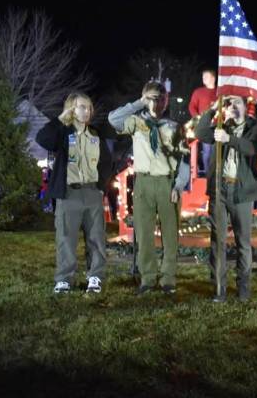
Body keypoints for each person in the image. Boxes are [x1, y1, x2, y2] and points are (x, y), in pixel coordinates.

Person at [108, 81, 190, 295]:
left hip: (166, 183)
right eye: (152, 98)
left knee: (170, 235)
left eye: (160, 99)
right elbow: (113, 119)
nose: (157, 103)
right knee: (144, 233)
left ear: (166, 101)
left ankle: (168, 279)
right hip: (143, 182)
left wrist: (179, 185)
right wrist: (138, 103)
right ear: (145, 99)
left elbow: (185, 160)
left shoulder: (174, 126)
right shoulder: (136, 122)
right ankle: (147, 277)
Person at [36, 92, 112, 294]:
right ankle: (64, 279)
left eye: (88, 107)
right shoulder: (62, 132)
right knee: (66, 238)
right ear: (71, 108)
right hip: (69, 194)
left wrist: (101, 187)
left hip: (92, 193)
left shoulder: (96, 134)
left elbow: (107, 162)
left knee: (96, 238)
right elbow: (42, 138)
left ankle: (95, 276)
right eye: (80, 107)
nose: (85, 111)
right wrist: (62, 117)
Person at [195, 95, 257, 302]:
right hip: (220, 188)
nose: (232, 106)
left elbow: (251, 148)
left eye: (237, 102)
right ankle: (219, 287)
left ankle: (243, 287)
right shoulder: (222, 127)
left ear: (246, 107)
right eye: (229, 103)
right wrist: (211, 109)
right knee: (218, 240)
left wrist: (230, 139)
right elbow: (200, 133)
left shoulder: (256, 129)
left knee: (242, 241)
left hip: (241, 191)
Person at [188, 69, 218, 175]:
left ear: (213, 78)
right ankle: (207, 173)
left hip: (219, 125)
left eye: (206, 76)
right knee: (207, 151)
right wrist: (198, 119)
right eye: (203, 77)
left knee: (217, 151)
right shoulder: (198, 92)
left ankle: (217, 174)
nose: (203, 78)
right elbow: (192, 106)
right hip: (205, 126)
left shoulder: (220, 92)